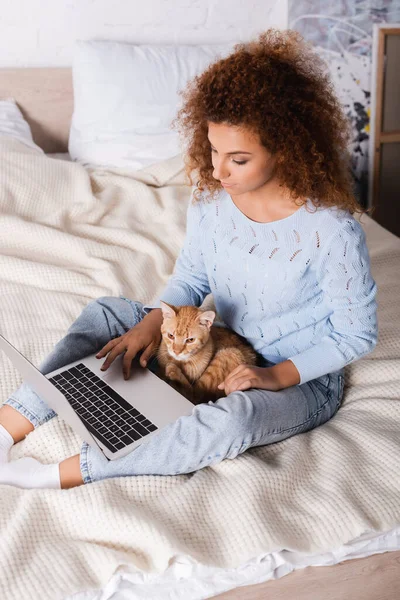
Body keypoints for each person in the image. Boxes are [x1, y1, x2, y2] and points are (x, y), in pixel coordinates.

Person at [0, 29, 378, 490]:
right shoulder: (212, 198)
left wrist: (275, 375)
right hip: (217, 338)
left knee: (233, 421)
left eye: (237, 159)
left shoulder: (332, 230)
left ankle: (59, 473)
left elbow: (356, 333)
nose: (217, 171)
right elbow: (194, 276)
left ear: (287, 149)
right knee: (109, 314)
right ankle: (9, 425)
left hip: (299, 377)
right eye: (213, 150)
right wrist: (152, 322)